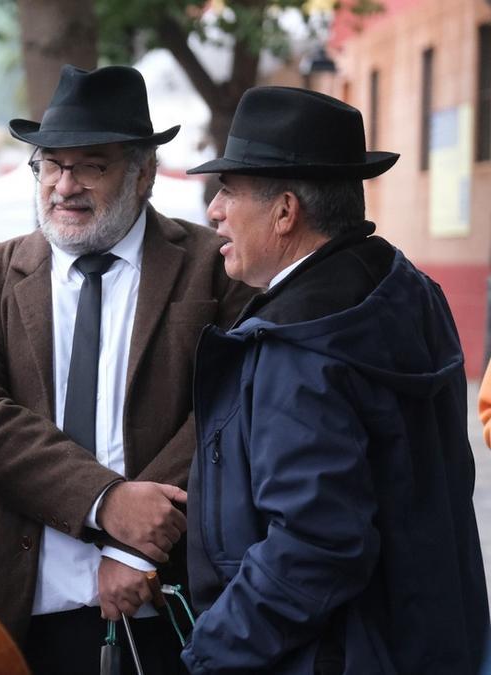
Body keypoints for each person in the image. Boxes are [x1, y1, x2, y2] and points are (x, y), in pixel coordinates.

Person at [0, 64, 254, 674]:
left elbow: (232, 405)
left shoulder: (215, 269)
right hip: (21, 605)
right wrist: (106, 503)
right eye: (51, 164)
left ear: (144, 175)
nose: (64, 185)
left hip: (172, 603)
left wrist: (140, 549)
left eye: (92, 166)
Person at [181, 86, 489, 673]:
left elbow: (317, 544)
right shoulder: (409, 290)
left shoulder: (301, 343)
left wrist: (211, 650)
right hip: (426, 639)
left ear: (285, 210)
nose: (214, 211)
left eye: (228, 191)